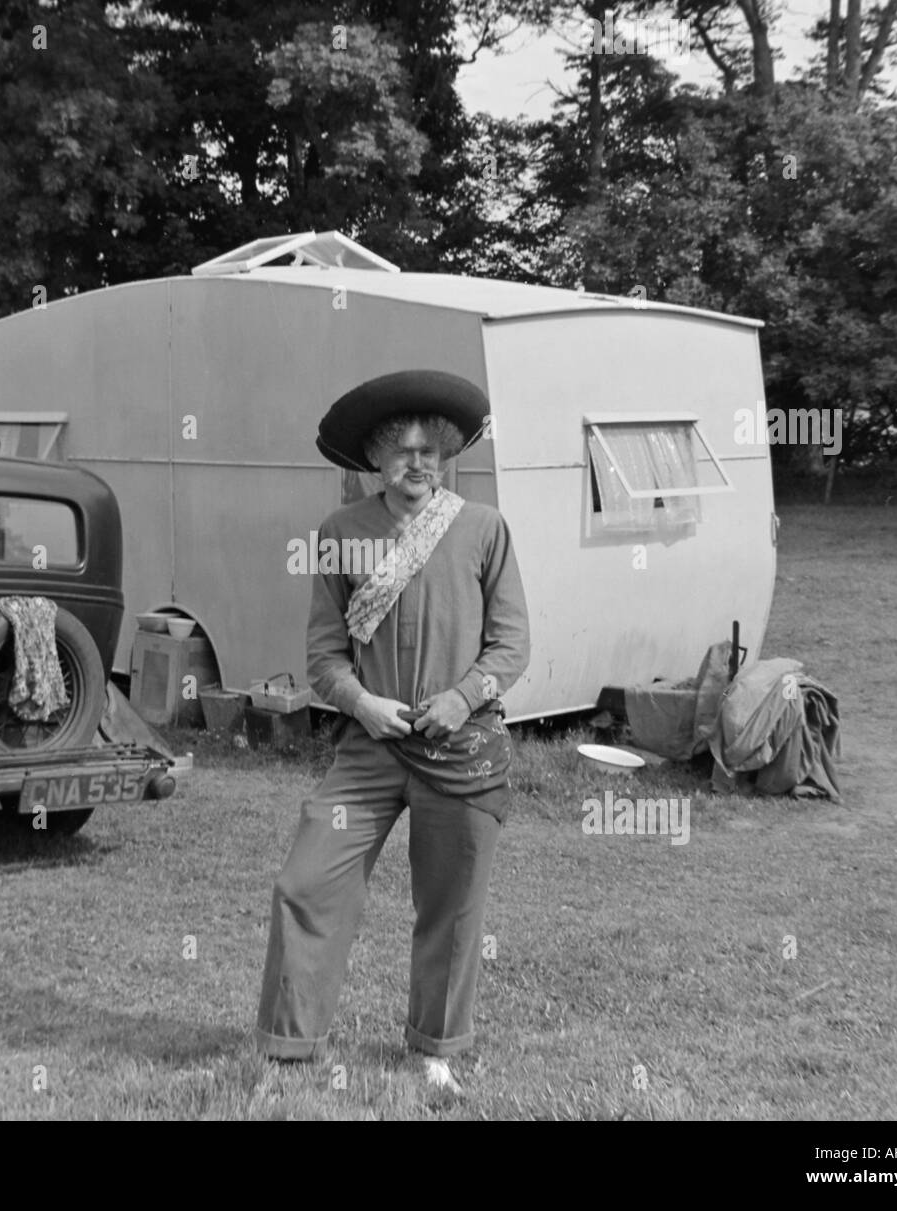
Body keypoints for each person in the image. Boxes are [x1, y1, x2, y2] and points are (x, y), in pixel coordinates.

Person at [254, 370, 531, 1093]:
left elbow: (512, 645)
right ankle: (289, 1047)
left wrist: (465, 696)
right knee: (306, 879)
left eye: (430, 450)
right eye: (402, 450)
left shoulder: (482, 528)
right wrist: (361, 704)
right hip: (369, 748)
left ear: (444, 457)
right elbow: (323, 654)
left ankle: (433, 1049)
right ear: (375, 458)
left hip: (459, 748)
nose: (418, 463)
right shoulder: (339, 534)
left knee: (452, 904)